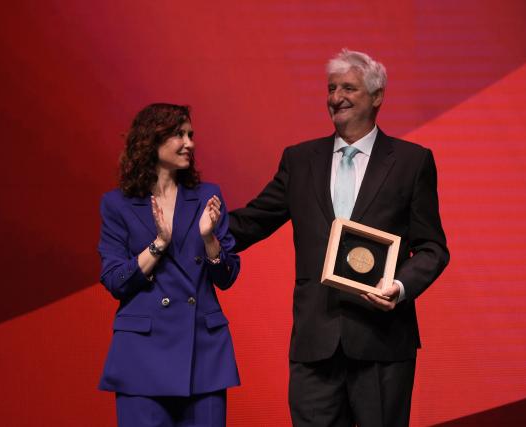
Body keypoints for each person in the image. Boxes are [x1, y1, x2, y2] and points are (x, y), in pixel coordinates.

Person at [229, 49, 449, 427]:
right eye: (331, 88)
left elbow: (432, 248)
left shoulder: (413, 161)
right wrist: (188, 222)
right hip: (315, 342)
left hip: (381, 343)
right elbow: (252, 221)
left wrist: (398, 287)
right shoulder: (299, 160)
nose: (335, 97)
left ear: (377, 96)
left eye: (349, 88)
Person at [97, 103, 240, 426]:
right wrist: (159, 243)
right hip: (142, 355)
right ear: (151, 140)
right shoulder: (116, 204)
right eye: (179, 134)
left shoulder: (208, 196)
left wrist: (209, 239)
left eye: (190, 134)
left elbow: (228, 276)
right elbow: (116, 281)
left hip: (203, 354)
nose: (189, 143)